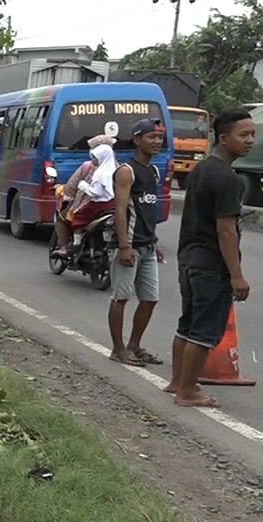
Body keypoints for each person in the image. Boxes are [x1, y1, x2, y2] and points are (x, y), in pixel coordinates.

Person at [169, 108, 256, 407]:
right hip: (210, 264)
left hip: (189, 259)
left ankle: (176, 382)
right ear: (223, 138)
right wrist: (236, 274)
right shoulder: (229, 179)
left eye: (253, 134)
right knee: (204, 331)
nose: (250, 141)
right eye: (243, 135)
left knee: (188, 324)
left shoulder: (202, 169)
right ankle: (188, 391)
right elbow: (226, 231)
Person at [108, 118, 167, 367]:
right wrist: (124, 246)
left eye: (159, 137)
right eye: (150, 137)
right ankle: (118, 349)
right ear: (137, 140)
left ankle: (134, 345)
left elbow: (147, 210)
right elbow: (120, 210)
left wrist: (155, 241)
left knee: (150, 299)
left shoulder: (153, 171)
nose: (156, 141)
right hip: (129, 245)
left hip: (148, 245)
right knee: (121, 297)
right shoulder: (126, 171)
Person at [54, 134, 115, 257]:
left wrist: (65, 193)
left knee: (64, 218)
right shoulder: (117, 167)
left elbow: (71, 187)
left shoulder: (87, 167)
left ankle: (66, 248)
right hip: (112, 206)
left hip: (89, 204)